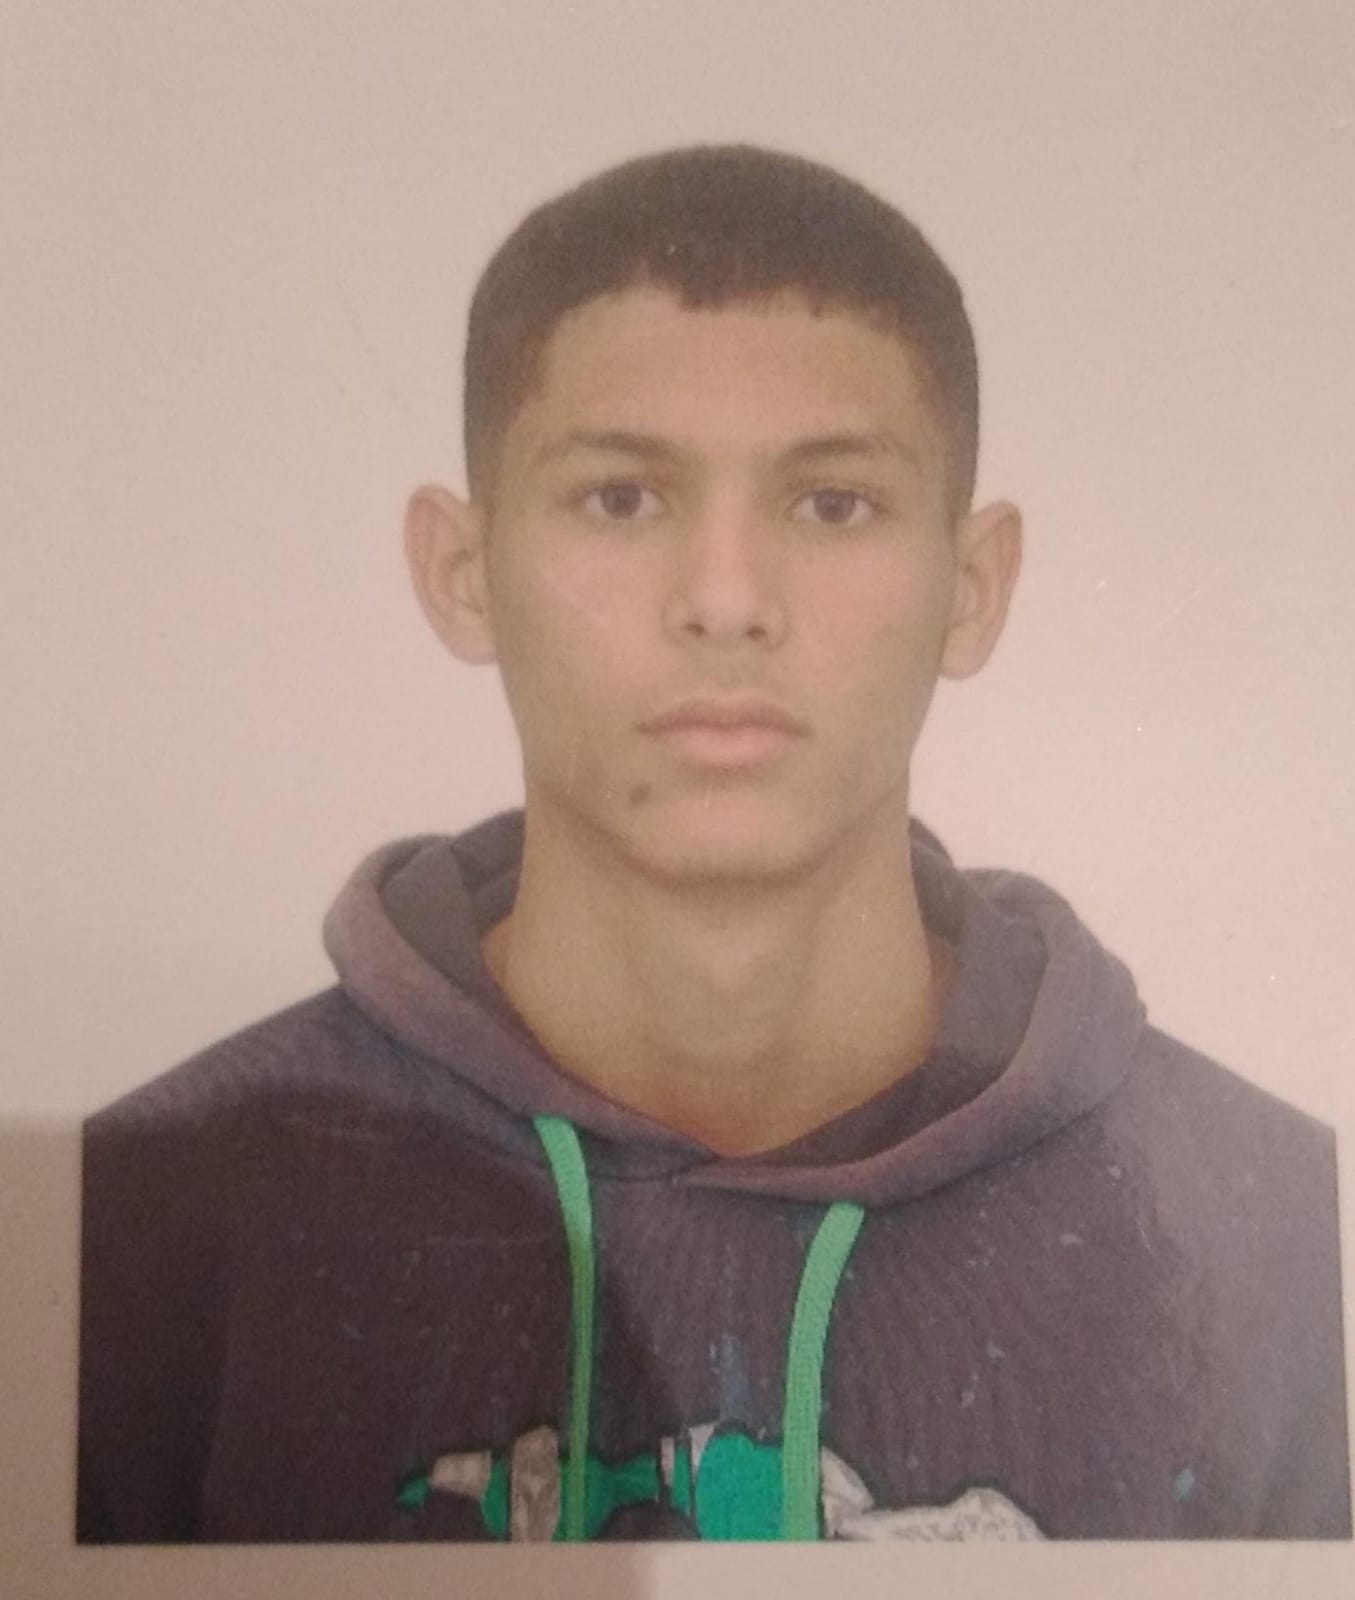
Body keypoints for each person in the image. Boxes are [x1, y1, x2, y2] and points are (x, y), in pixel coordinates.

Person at [77, 144, 1349, 1544]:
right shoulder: (144, 1218)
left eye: (832, 503)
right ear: (462, 572)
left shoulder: (1277, 1230)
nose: (728, 600)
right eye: (623, 498)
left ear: (973, 588)